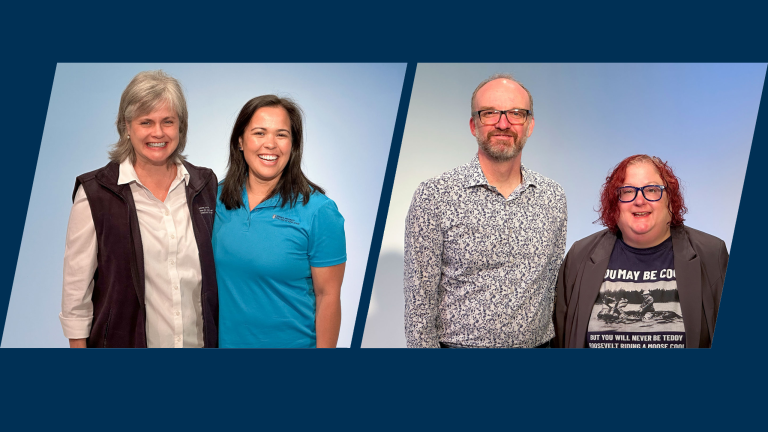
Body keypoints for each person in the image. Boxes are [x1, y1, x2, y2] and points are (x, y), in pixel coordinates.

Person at [404, 74, 567, 348]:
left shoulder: (552, 197)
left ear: (529, 125)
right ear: (473, 125)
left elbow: (552, 290)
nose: (503, 123)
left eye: (516, 113)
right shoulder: (434, 195)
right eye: (490, 113)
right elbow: (418, 307)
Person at [59, 70, 219, 348]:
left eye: (168, 121)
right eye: (146, 122)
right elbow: (76, 295)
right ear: (126, 126)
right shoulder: (96, 193)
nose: (158, 132)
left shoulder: (205, 186)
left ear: (181, 127)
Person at [213, 95, 346, 348]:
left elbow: (328, 296)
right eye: (259, 133)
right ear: (240, 141)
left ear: (293, 144)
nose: (270, 144)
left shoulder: (319, 211)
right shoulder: (215, 199)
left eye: (281, 135)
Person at [554, 155, 728, 348]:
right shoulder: (579, 256)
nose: (640, 200)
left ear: (670, 199)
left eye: (652, 190)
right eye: (628, 191)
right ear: (614, 202)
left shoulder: (712, 254)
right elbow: (560, 340)